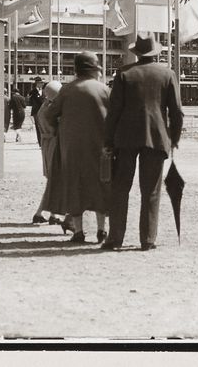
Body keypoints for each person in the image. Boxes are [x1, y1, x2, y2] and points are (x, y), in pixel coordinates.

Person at [102, 32, 184, 252]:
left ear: (136, 53)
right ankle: (147, 239)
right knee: (151, 190)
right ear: (155, 53)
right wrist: (174, 139)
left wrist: (108, 140)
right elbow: (176, 113)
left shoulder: (124, 74)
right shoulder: (168, 74)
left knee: (120, 189)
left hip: (125, 138)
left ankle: (115, 237)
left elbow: (114, 111)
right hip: (156, 139)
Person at [44, 53, 110, 244]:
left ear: (77, 70)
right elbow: (114, 118)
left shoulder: (66, 90)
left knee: (75, 188)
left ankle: (79, 232)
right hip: (99, 148)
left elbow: (49, 115)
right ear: (94, 70)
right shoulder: (104, 90)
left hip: (71, 149)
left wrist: (61, 127)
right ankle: (101, 230)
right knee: (100, 186)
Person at [33, 80, 63, 225]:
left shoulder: (43, 107)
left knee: (54, 181)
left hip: (47, 144)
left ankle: (52, 214)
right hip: (54, 144)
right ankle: (40, 213)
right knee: (54, 180)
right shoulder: (51, 110)